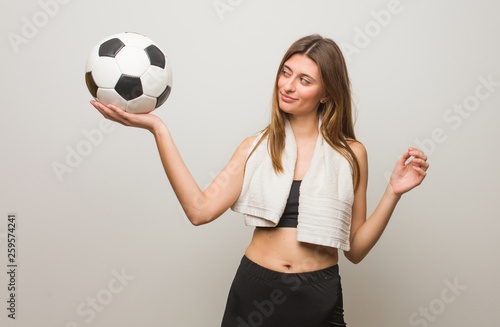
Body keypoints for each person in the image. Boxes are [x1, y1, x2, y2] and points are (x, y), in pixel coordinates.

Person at [91, 34, 429, 326]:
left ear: (327, 93)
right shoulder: (254, 148)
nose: (288, 86)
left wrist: (392, 192)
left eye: (304, 80)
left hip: (318, 296)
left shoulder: (351, 154)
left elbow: (354, 249)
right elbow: (199, 210)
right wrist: (158, 129)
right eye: (286, 73)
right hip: (255, 292)